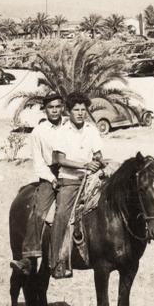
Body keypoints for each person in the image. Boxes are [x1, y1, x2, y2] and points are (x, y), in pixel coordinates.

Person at [50, 91, 105, 278]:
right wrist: (84, 164)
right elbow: (60, 159)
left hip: (91, 178)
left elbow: (98, 154)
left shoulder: (91, 130)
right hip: (70, 180)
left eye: (83, 109)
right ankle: (57, 260)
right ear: (69, 111)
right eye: (76, 110)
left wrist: (100, 161)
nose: (81, 113)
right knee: (62, 214)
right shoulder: (62, 132)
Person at [9, 93, 65, 275]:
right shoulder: (39, 132)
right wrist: (52, 179)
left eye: (58, 106)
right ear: (45, 109)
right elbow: (39, 162)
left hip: (74, 171)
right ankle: (29, 255)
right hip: (50, 174)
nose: (55, 110)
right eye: (51, 107)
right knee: (39, 210)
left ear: (62, 107)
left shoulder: (70, 127)